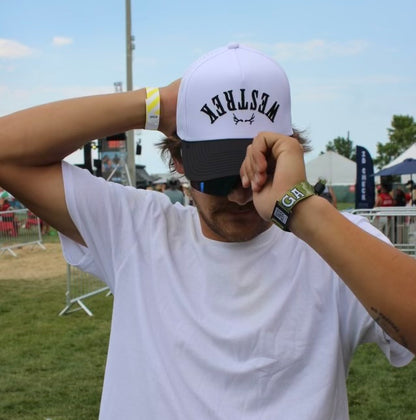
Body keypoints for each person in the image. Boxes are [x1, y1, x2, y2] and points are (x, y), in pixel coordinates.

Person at [0, 43, 415, 420]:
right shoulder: (136, 229)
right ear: (180, 161)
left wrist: (299, 209)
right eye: (216, 178)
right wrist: (154, 105)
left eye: (259, 174)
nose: (239, 196)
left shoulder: (329, 242)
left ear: (291, 156)